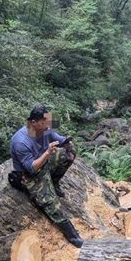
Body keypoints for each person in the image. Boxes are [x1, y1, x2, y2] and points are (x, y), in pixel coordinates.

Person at [9, 106, 83, 248]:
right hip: (30, 173)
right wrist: (48, 152)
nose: (48, 125)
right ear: (33, 122)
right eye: (44, 122)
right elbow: (31, 167)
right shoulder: (20, 141)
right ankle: (73, 236)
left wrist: (66, 142)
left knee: (70, 150)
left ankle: (54, 182)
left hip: (44, 161)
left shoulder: (46, 128)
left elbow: (60, 140)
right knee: (51, 203)